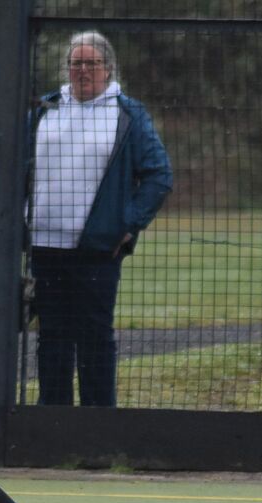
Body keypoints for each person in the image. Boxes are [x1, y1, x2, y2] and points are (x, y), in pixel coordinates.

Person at [29, 30, 172, 406]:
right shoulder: (45, 109)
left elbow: (159, 175)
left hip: (97, 248)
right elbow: (16, 167)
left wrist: (126, 225)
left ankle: (98, 425)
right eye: (76, 63)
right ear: (67, 69)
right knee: (52, 338)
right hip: (44, 245)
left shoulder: (128, 114)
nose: (83, 71)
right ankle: (53, 421)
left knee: (94, 336)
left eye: (91, 63)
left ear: (108, 69)